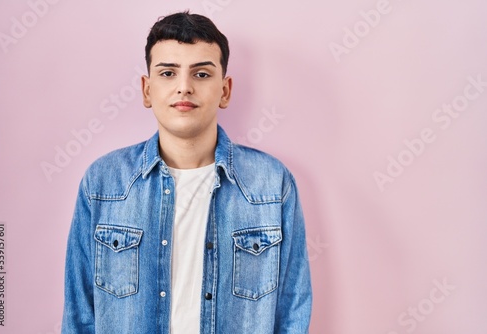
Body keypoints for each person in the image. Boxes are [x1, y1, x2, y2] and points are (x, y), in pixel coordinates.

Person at [61, 11, 312, 334]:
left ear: (225, 90)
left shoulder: (271, 184)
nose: (184, 87)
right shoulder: (104, 183)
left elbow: (292, 310)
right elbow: (80, 314)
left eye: (202, 74)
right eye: (168, 73)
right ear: (147, 89)